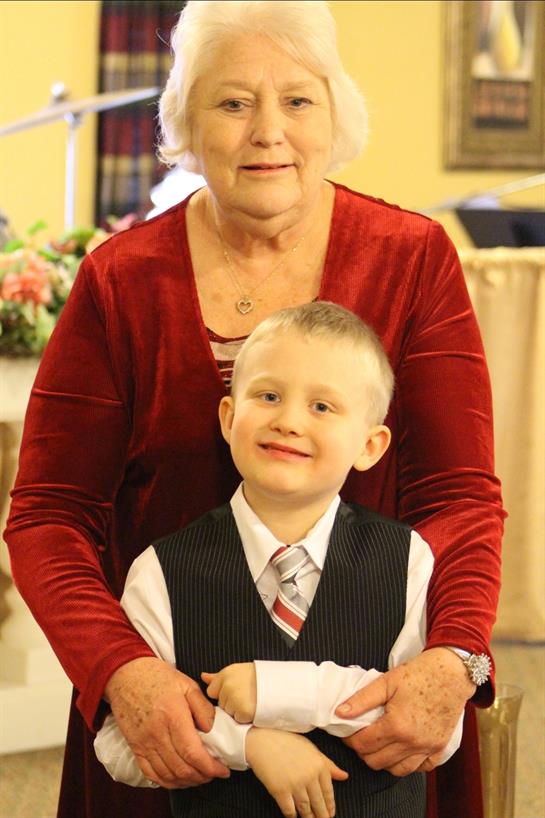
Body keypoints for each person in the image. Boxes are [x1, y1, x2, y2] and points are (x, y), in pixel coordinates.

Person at [4, 3, 504, 818]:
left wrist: (453, 661)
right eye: (232, 103)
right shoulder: (120, 282)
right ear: (185, 123)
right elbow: (49, 515)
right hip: (167, 718)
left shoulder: (412, 260)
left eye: (298, 101)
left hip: (371, 721)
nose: (267, 131)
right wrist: (119, 670)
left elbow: (460, 499)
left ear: (334, 112)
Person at [94, 302, 464, 818]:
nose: (288, 421)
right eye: (268, 396)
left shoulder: (408, 560)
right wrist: (247, 744)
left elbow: (430, 729)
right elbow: (120, 744)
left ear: (371, 445)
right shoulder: (161, 570)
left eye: (322, 407)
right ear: (229, 417)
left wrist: (279, 690)